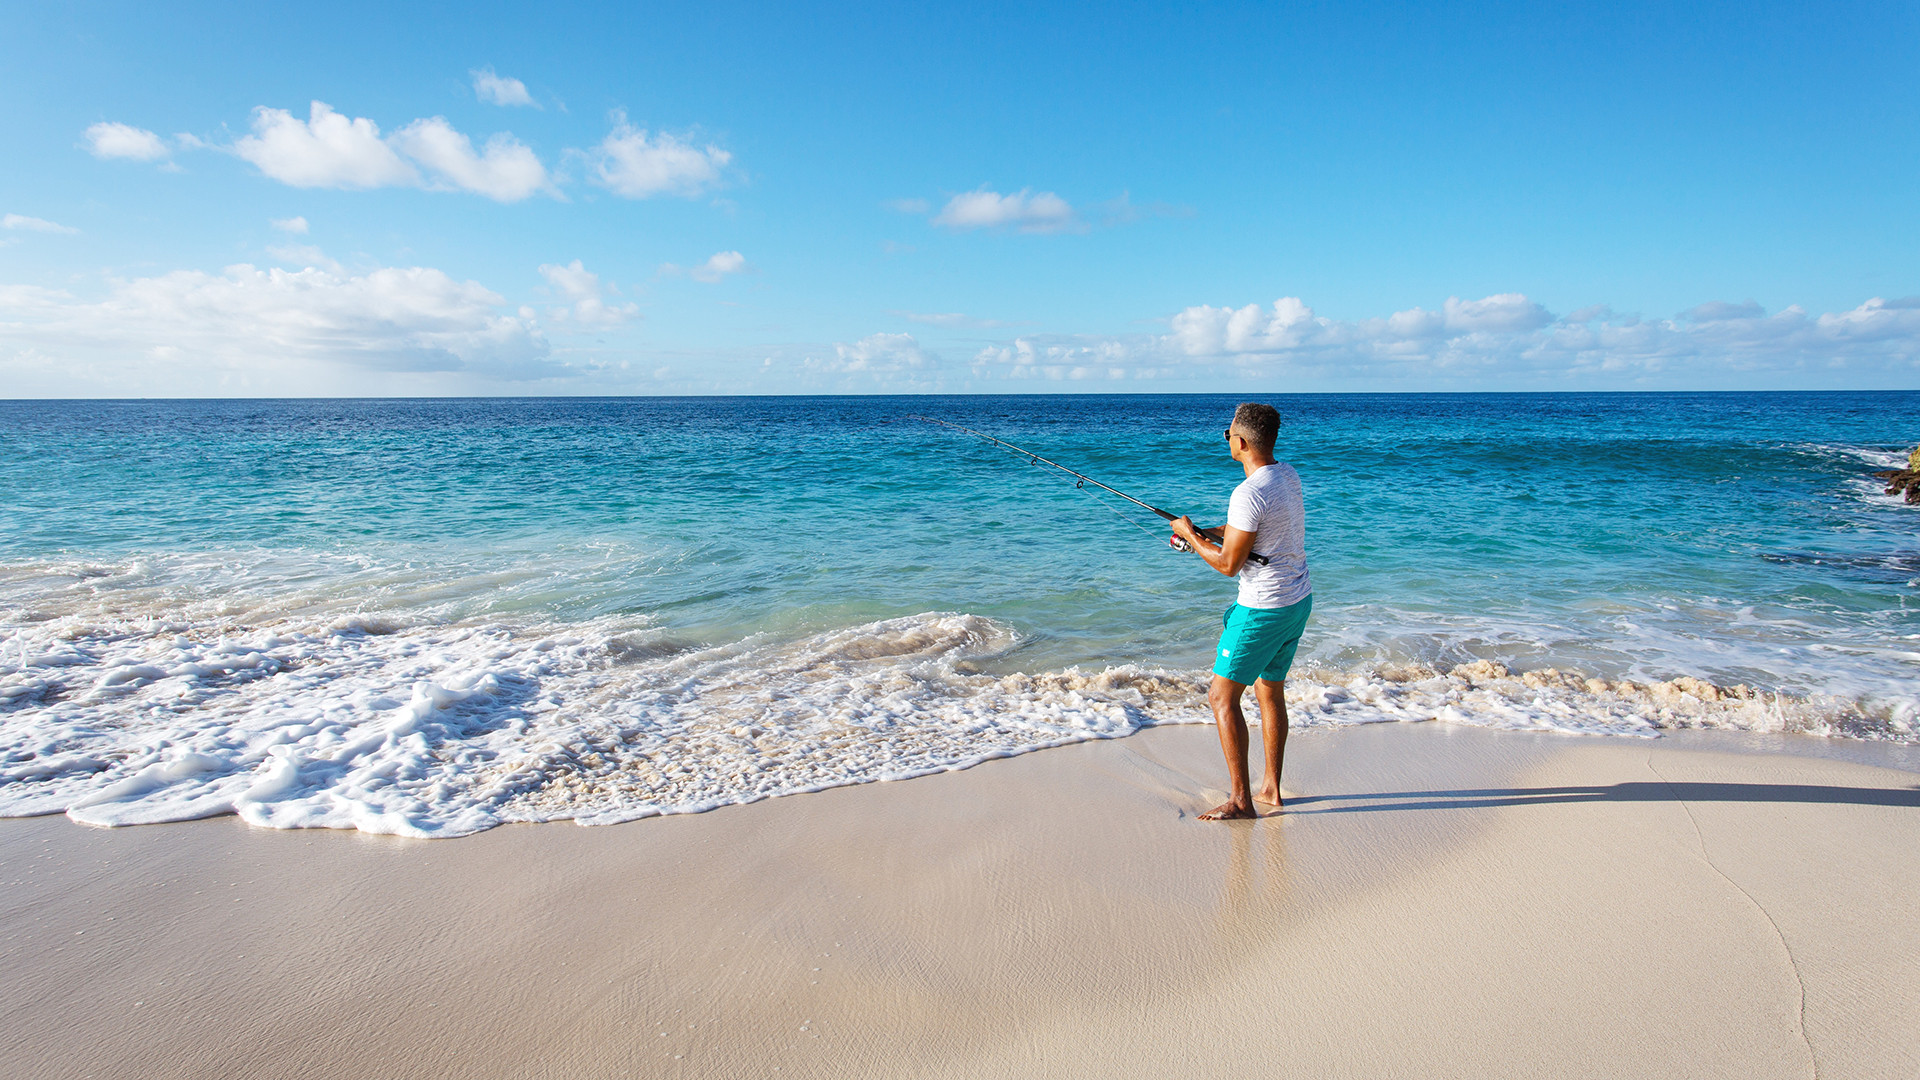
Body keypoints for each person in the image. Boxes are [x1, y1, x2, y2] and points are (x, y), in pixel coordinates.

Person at [1169, 403, 1312, 821]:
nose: (1227, 439)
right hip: (1296, 601)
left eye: (1228, 434)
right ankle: (1270, 787)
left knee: (1221, 697)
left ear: (1242, 442)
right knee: (1269, 691)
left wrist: (1189, 539)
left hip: (1262, 609)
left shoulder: (1248, 492)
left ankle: (1241, 801)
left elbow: (1230, 564)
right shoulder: (1286, 475)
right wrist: (1200, 531)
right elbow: (1250, 532)